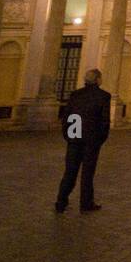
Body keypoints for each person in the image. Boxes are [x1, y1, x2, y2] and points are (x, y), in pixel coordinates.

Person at [55, 67, 111, 214]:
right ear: (98, 80)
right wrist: (100, 140)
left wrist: (68, 136)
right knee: (88, 173)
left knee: (69, 172)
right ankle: (86, 203)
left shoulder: (75, 95)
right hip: (91, 141)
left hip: (74, 138)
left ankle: (61, 202)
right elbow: (105, 122)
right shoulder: (103, 96)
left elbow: (66, 118)